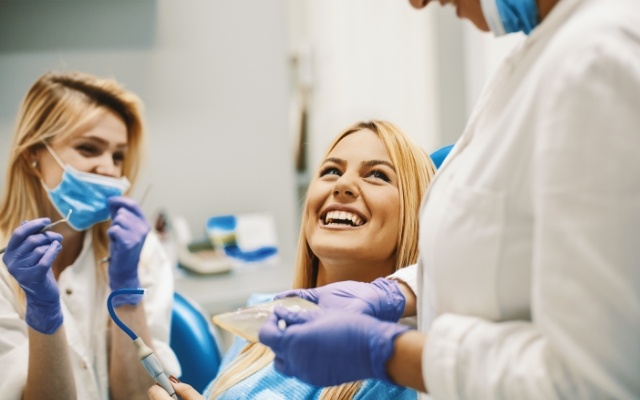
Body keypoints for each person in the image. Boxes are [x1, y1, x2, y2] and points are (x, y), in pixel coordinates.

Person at [257, 0, 640, 399]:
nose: (417, 3)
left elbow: (597, 382)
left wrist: (385, 353)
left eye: (377, 175)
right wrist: (398, 292)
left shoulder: (601, 58)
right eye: (331, 170)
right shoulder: (541, 54)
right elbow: (504, 260)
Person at [147, 120, 437, 399]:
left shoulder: (403, 371)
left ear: (416, 214)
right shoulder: (261, 317)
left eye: (377, 175)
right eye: (331, 171)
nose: (342, 184)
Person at [0, 71, 179, 400]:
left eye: (118, 155)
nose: (109, 169)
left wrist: (126, 289)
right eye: (88, 148)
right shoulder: (5, 267)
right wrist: (42, 310)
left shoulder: (139, 249)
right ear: (32, 154)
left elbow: (141, 397)